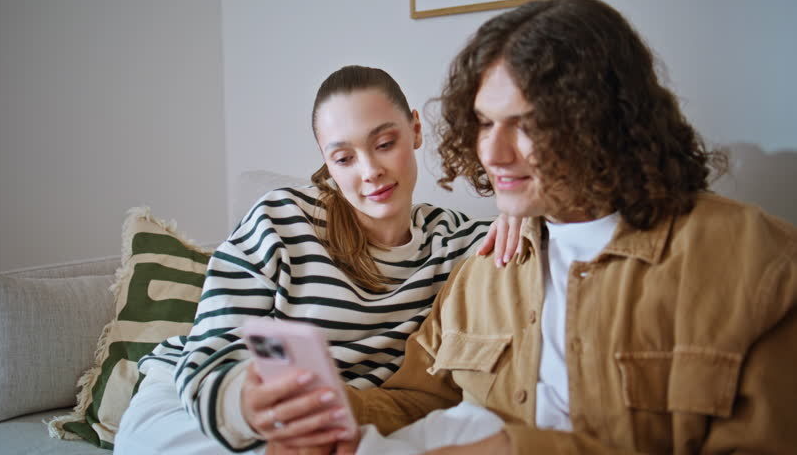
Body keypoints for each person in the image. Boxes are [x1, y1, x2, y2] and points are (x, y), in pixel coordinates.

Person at [257, 0, 797, 454]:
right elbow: (417, 396)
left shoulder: (758, 264)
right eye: (486, 122)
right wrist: (335, 417)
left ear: (605, 121)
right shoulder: (485, 269)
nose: (491, 152)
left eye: (528, 124)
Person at [113, 65, 520, 454]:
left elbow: (566, 236)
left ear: (415, 130)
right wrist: (249, 406)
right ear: (327, 162)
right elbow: (210, 353)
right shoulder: (281, 219)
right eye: (344, 158)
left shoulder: (458, 243)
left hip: (347, 419)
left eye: (384, 144)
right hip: (207, 401)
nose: (370, 171)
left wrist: (521, 210)